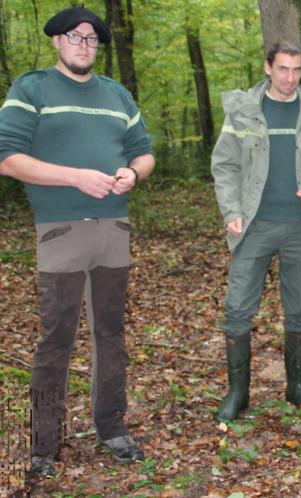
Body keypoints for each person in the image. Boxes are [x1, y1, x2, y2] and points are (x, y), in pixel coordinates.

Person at [0, 7, 154, 476]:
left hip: (113, 228)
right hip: (60, 230)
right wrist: (75, 178)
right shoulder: (32, 89)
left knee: (111, 335)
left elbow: (144, 152)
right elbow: (6, 158)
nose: (83, 44)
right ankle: (43, 441)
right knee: (56, 339)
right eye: (74, 36)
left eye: (91, 39)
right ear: (56, 41)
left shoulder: (117, 95)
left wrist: (133, 173)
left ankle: (111, 426)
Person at [211, 41, 301, 422]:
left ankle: (296, 387)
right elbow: (225, 166)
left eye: (297, 70)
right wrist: (231, 210)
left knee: (298, 310)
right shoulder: (244, 111)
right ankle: (238, 392)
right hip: (253, 224)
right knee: (237, 309)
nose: (290, 78)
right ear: (268, 67)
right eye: (283, 69)